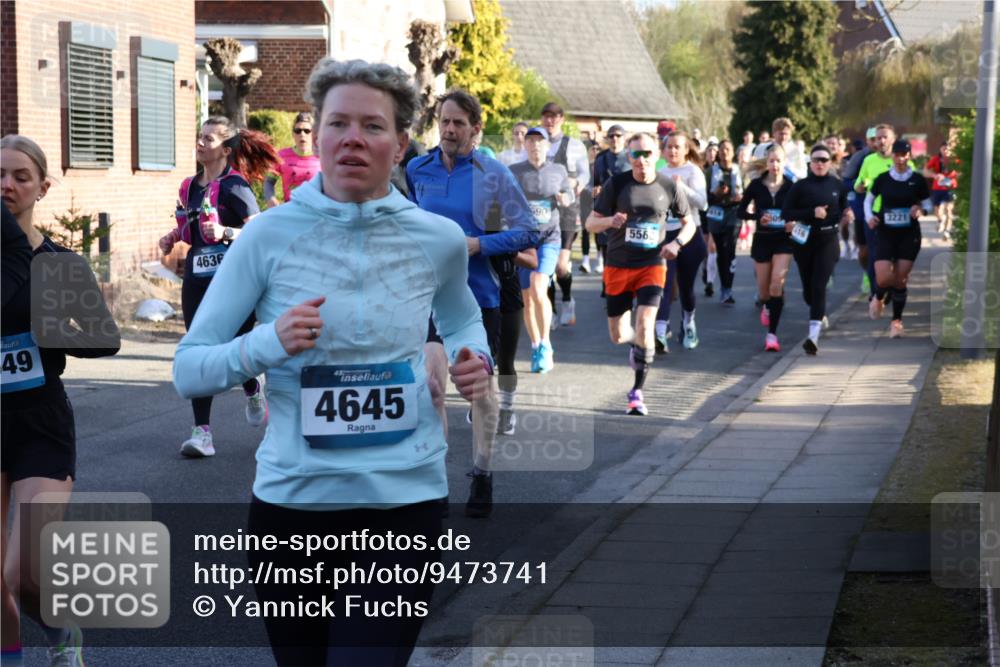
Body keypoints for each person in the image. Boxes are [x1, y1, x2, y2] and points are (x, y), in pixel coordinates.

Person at [173, 58, 492, 666]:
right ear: (316, 135)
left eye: (372, 126)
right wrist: (269, 343)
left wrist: (467, 355)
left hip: (403, 508)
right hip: (293, 510)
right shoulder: (267, 237)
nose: (352, 138)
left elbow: (461, 318)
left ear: (400, 145)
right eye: (337, 123)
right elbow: (190, 368)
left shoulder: (438, 238)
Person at [2, 135, 121, 667]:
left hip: (39, 424)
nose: (6, 185)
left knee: (22, 571)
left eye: (20, 176)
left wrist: (53, 330)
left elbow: (104, 339)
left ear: (42, 187)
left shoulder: (59, 263)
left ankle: (59, 628)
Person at [406, 89, 538, 518]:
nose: (449, 129)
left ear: (475, 128)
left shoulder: (494, 172)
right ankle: (435, 482)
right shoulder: (418, 168)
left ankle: (482, 471)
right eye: (444, 121)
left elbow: (527, 232)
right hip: (429, 295)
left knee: (479, 392)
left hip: (480, 296)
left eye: (458, 122)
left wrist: (478, 244)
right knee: (430, 387)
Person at [159, 116, 278, 458]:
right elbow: (188, 230)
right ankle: (202, 434)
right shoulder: (188, 187)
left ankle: (252, 385)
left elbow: (260, 234)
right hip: (197, 278)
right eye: (199, 137)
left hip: (234, 281)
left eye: (208, 139)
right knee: (198, 349)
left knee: (236, 347)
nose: (200, 143)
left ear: (225, 149)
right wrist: (172, 238)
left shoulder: (234, 186)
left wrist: (227, 233)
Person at [586, 133, 695, 415]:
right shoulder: (617, 183)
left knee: (646, 323)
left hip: (652, 263)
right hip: (618, 264)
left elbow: (689, 224)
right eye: (636, 155)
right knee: (619, 335)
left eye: (647, 153)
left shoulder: (668, 186)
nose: (642, 160)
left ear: (656, 154)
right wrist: (611, 220)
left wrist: (676, 243)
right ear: (629, 157)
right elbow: (590, 224)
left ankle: (637, 392)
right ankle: (639, 347)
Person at [509, 127, 573, 372]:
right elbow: (502, 201)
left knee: (538, 286)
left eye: (540, 141)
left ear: (547, 146)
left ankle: (546, 342)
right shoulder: (514, 172)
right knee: (527, 298)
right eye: (531, 141)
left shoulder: (558, 171)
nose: (535, 145)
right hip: (523, 241)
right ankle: (536, 346)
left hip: (549, 238)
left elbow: (568, 196)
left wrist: (565, 199)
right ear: (524, 145)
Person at [783, 143, 852, 355]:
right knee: (808, 291)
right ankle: (818, 312)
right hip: (804, 240)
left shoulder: (837, 185)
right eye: (816, 160)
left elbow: (843, 206)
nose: (820, 164)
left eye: (824, 160)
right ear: (810, 163)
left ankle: (812, 337)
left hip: (828, 240)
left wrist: (848, 214)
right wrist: (812, 212)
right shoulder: (800, 186)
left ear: (830, 163)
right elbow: (787, 212)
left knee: (819, 285)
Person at [866, 139, 929, 337]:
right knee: (884, 277)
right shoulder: (883, 178)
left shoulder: (917, 180)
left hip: (909, 234)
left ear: (909, 156)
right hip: (886, 231)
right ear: (892, 155)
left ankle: (896, 322)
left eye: (904, 155)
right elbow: (869, 200)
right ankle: (878, 295)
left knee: (901, 279)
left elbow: (928, 204)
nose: (901, 159)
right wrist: (869, 218)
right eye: (897, 154)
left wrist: (920, 209)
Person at [738, 144, 795, 351]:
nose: (775, 165)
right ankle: (768, 306)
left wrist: (793, 221)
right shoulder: (755, 185)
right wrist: (757, 217)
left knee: (776, 285)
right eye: (771, 161)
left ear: (784, 162)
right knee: (764, 294)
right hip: (762, 239)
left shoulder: (791, 186)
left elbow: (799, 211)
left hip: (783, 240)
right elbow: (740, 212)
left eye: (779, 160)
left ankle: (772, 335)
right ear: (766, 162)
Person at [655, 130, 707, 352]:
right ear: (664, 151)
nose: (673, 150)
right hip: (665, 234)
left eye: (678, 147)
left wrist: (681, 186)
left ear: (686, 150)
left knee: (686, 288)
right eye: (669, 147)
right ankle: (659, 332)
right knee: (664, 284)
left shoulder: (693, 171)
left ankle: (688, 322)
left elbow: (702, 203)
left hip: (689, 235)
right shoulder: (659, 172)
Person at [540, 102, 590, 326]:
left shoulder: (575, 145)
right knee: (546, 265)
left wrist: (576, 182)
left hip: (568, 210)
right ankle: (549, 310)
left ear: (561, 119)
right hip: (544, 209)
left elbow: (585, 173)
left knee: (561, 266)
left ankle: (568, 299)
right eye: (546, 117)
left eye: (554, 117)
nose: (549, 121)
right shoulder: (535, 142)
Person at [855, 124, 914, 304]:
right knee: (875, 255)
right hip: (875, 215)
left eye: (884, 137)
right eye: (877, 138)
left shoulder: (906, 162)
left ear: (893, 139)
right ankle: (876, 293)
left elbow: (916, 188)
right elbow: (857, 186)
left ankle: (892, 288)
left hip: (899, 215)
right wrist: (862, 186)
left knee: (896, 257)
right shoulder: (868, 160)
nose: (880, 141)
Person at [706, 139, 743, 305]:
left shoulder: (738, 170)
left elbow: (748, 192)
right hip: (716, 213)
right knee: (721, 252)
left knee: (730, 250)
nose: (724, 152)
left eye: (728, 149)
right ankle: (724, 288)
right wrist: (717, 193)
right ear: (718, 153)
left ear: (733, 151)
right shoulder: (710, 172)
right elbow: (705, 198)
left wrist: (740, 197)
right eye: (722, 150)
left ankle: (728, 288)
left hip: (734, 213)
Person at [592, 125, 631, 275]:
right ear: (607, 139)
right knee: (606, 246)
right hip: (605, 207)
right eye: (611, 136)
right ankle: (607, 283)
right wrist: (595, 189)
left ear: (624, 138)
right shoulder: (600, 158)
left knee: (624, 246)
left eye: (618, 135)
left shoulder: (630, 156)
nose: (615, 138)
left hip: (625, 208)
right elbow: (594, 181)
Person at [843, 127, 879, 289]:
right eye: (872, 140)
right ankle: (867, 272)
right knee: (864, 251)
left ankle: (882, 281)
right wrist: (860, 185)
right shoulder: (860, 157)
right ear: (867, 141)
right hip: (862, 209)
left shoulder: (892, 157)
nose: (876, 143)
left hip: (883, 210)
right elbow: (846, 182)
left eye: (879, 139)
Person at [264, 112, 320, 208]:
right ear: (293, 134)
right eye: (298, 130)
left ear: (314, 134)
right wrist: (271, 199)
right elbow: (269, 181)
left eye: (307, 131)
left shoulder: (322, 156)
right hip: (290, 210)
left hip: (317, 212)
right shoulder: (281, 156)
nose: (302, 134)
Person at [925, 141, 959, 240]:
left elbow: (962, 170)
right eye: (944, 149)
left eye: (948, 149)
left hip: (950, 187)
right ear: (940, 149)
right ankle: (940, 221)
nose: (946, 151)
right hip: (937, 188)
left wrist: (955, 176)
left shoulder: (955, 160)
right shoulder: (935, 159)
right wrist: (935, 175)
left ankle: (947, 231)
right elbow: (926, 170)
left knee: (949, 209)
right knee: (938, 210)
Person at [701, 139, 720, 296]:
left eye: (715, 151)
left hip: (718, 211)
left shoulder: (722, 171)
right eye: (710, 151)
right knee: (705, 246)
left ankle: (710, 281)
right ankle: (705, 267)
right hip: (703, 211)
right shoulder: (700, 170)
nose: (712, 154)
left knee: (712, 246)